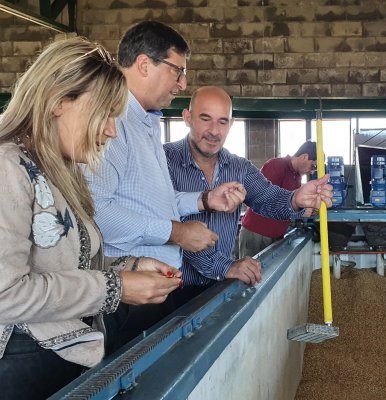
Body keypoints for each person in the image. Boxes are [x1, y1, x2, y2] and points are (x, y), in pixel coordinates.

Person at [0, 38, 182, 400]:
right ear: (58, 101)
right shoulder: (8, 168)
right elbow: (5, 295)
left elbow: (76, 262)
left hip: (65, 354)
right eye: (104, 115)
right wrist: (116, 288)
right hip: (21, 366)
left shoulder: (60, 173)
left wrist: (131, 265)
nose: (112, 131)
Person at [84, 21, 244, 351]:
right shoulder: (111, 122)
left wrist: (203, 200)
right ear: (144, 64)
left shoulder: (145, 123)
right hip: (127, 295)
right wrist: (176, 232)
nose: (182, 83)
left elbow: (152, 200)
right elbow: (96, 212)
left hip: (155, 289)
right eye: (177, 71)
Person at [164, 86, 333, 300]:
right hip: (166, 290)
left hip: (216, 289)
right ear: (187, 117)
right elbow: (165, 224)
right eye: (205, 119)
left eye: (223, 121)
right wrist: (225, 266)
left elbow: (267, 197)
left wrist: (295, 199)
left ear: (231, 124)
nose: (214, 131)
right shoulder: (163, 160)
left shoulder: (239, 167)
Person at [239, 141, 318, 258]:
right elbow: (263, 199)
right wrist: (300, 210)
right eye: (313, 166)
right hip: (257, 233)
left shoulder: (297, 178)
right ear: (304, 157)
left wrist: (303, 208)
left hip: (276, 235)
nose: (312, 171)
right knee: (249, 274)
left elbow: (288, 208)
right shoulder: (277, 166)